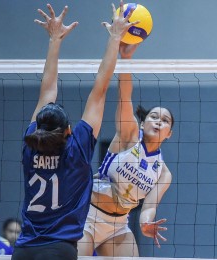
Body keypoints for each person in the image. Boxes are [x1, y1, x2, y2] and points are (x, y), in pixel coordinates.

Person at [11, 2, 137, 260]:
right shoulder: (77, 148)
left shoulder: (29, 145)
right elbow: (99, 89)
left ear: (38, 126)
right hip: (58, 250)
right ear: (69, 130)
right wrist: (115, 38)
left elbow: (47, 91)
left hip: (23, 250)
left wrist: (54, 39)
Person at [77, 43, 174, 257]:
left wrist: (146, 224)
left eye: (165, 120)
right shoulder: (129, 135)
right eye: (153, 117)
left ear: (169, 133)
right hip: (87, 216)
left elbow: (149, 206)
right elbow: (125, 96)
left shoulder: (164, 173)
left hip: (118, 226)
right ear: (142, 123)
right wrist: (126, 60)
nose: (158, 122)